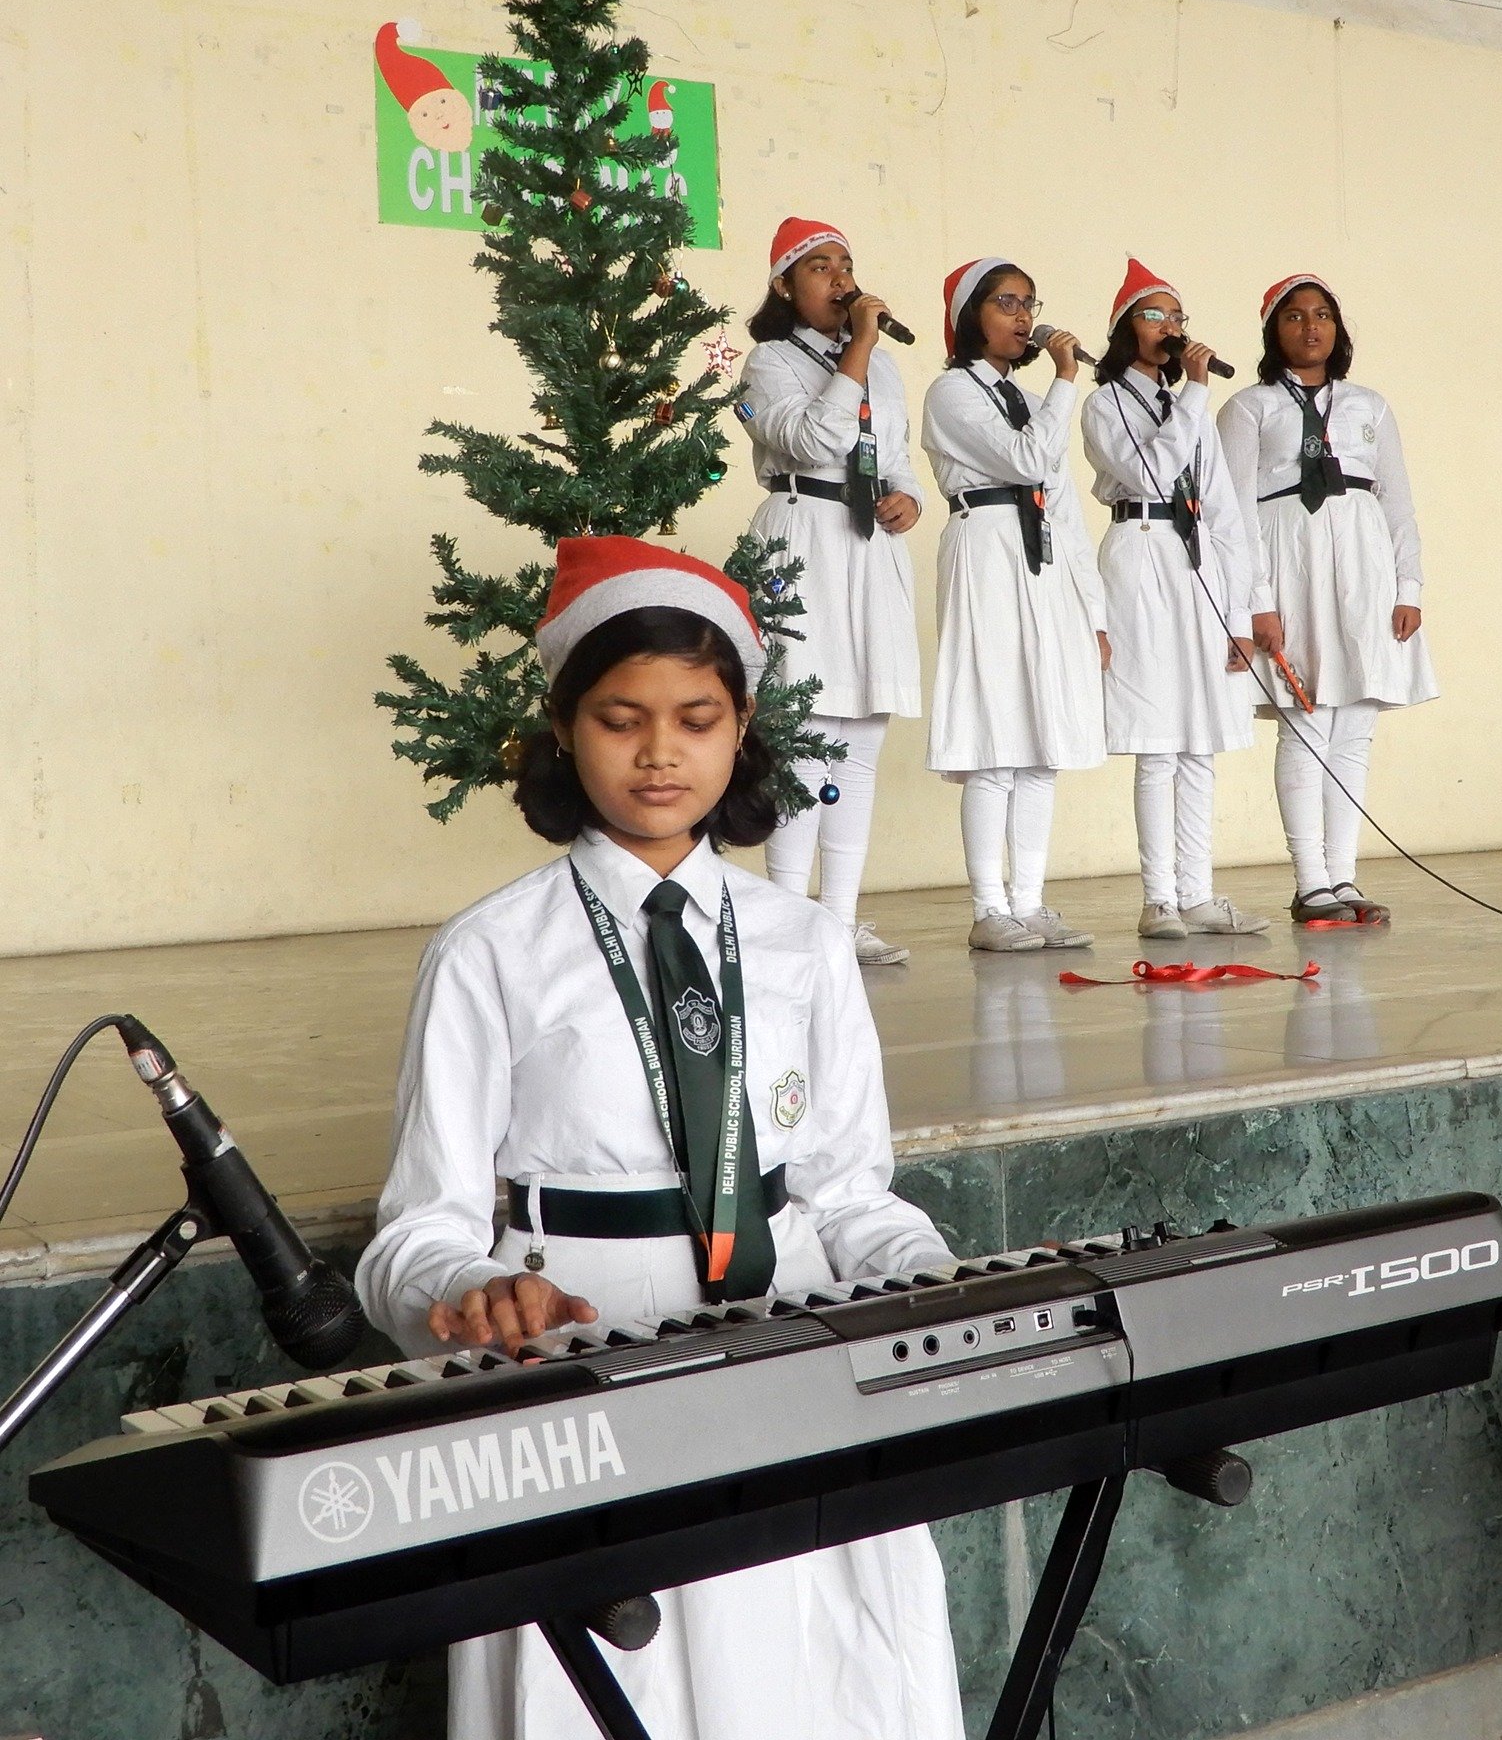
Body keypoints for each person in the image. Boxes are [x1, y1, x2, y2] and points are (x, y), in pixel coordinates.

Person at [355, 535, 965, 1740]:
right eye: (619, 718)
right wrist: (473, 1288)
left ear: (741, 729)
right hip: (585, 1372)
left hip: (800, 1364)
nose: (658, 753)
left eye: (695, 719)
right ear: (562, 729)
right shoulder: (490, 950)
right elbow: (415, 1231)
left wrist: (943, 1284)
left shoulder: (804, 941)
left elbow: (849, 1192)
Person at [1216, 275, 1437, 925]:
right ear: (1272, 331)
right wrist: (1255, 601)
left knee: (1355, 729)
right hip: (1291, 569)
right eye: (1294, 316)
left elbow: (1397, 501)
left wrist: (1408, 585)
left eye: (1322, 315)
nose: (1310, 326)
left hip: (1364, 571)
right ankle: (1310, 881)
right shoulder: (1249, 407)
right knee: (1306, 721)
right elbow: (1233, 513)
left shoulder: (1370, 405)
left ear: (1337, 329)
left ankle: (1343, 877)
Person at [738, 217, 924, 967]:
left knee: (860, 739)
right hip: (804, 540)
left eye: (846, 263)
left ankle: (840, 921)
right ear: (785, 286)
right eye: (820, 267)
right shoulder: (768, 361)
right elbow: (815, 439)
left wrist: (909, 498)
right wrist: (859, 349)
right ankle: (789, 920)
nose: (841, 278)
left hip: (868, 547)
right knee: (802, 733)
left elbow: (896, 457)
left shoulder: (882, 367)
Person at [921, 256, 1108, 952]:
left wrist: (1093, 613)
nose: (1024, 316)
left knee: (1040, 744)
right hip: (987, 553)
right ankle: (988, 907)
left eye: (1030, 303)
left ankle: (1029, 902)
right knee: (995, 738)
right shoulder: (951, 392)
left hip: (1044, 565)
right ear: (972, 315)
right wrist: (1065, 379)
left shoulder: (1031, 402)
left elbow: (1065, 508)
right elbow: (1026, 461)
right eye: (1007, 302)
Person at [1079, 258, 1267, 941]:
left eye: (1177, 316)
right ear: (1125, 329)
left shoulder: (1191, 407)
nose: (1170, 326)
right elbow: (1152, 472)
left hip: (1198, 564)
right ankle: (1159, 896)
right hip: (1141, 553)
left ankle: (1199, 892)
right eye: (1154, 315)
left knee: (1198, 739)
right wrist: (1194, 393)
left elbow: (1224, 511)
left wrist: (1239, 614)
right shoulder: (1106, 403)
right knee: (1158, 737)